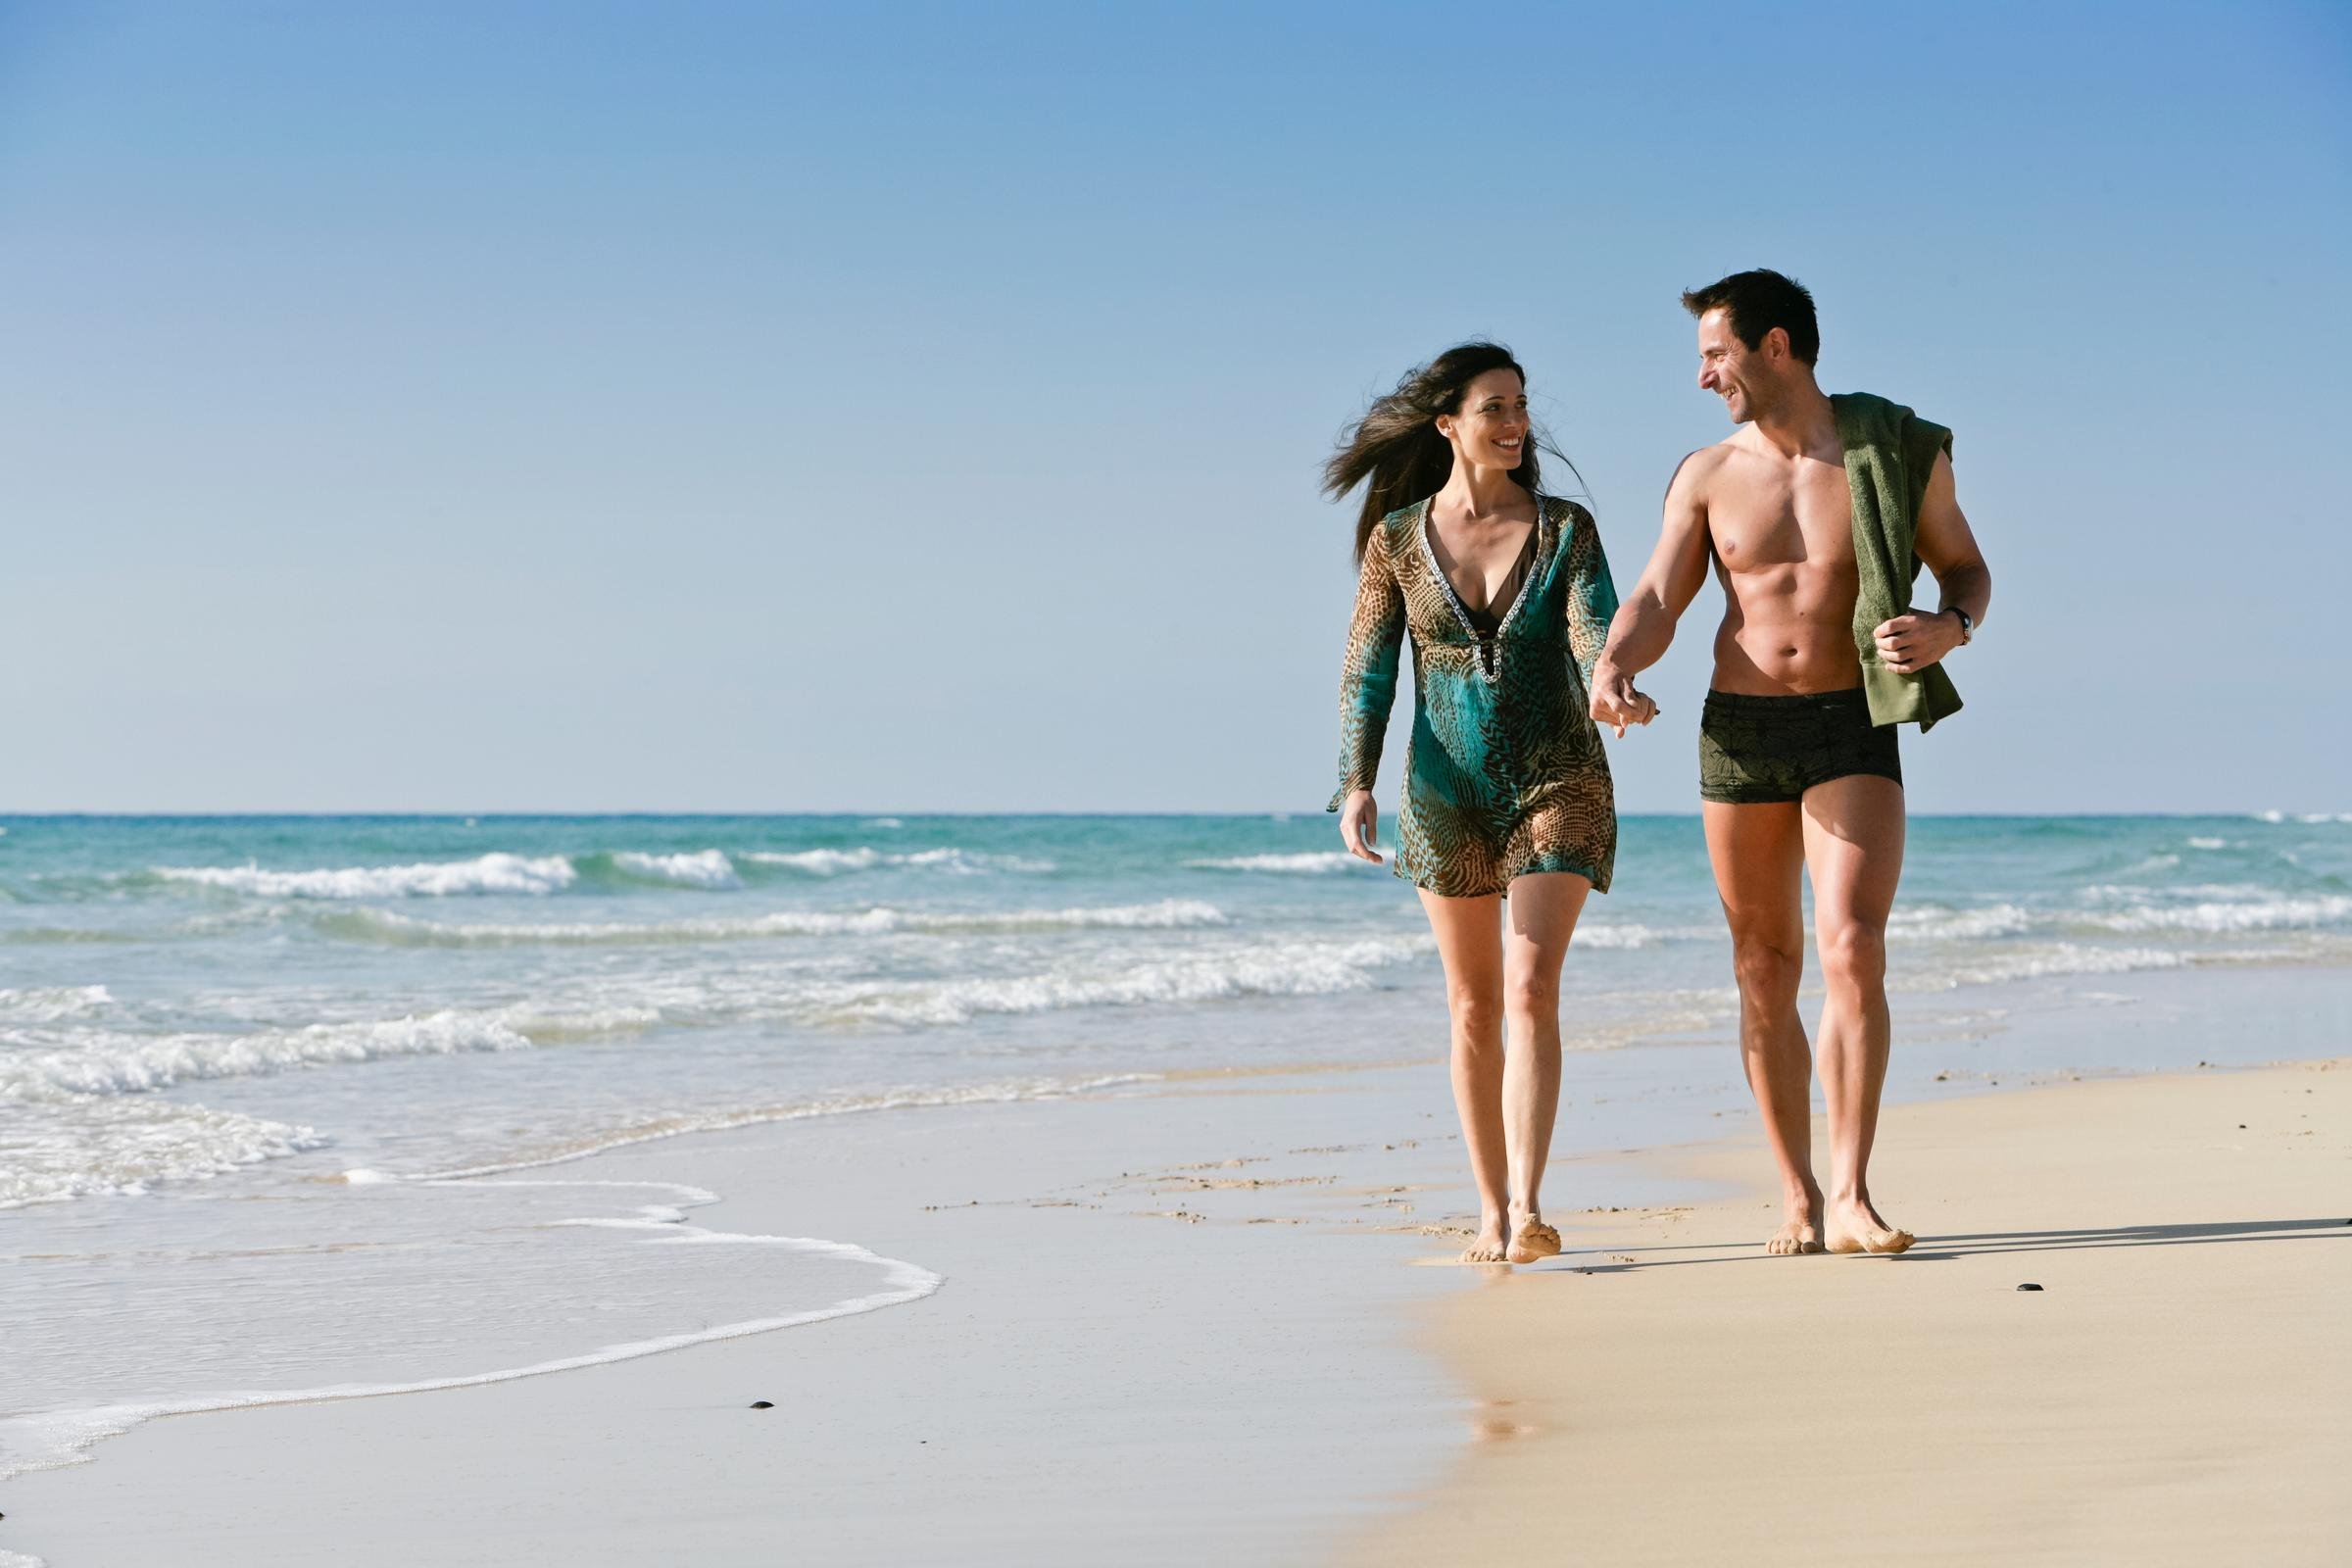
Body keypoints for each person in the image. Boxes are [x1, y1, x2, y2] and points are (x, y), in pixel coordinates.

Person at [1589, 270, 1991, 1256]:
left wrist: (1952, 626)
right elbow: (1656, 598)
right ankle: (1797, 1194)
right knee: (1763, 967)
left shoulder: (1892, 448)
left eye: (1714, 354)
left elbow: (1967, 567)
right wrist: (1611, 661)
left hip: (1854, 721)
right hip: (1741, 727)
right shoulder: (1706, 474)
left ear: (1777, 347)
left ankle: (1852, 1192)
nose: (1703, 376)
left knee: (1853, 945)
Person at [1327, 342, 1620, 1266]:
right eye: (1495, 406)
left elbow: (1595, 627)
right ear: (1449, 424)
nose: (1515, 423)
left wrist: (1611, 679)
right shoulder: (1396, 540)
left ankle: (1530, 1207)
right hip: (1443, 790)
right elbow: (1369, 664)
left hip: (1558, 777)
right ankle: (1490, 1211)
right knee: (1471, 1006)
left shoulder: (1567, 529)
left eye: (1522, 406)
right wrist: (1355, 778)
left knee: (1531, 987)